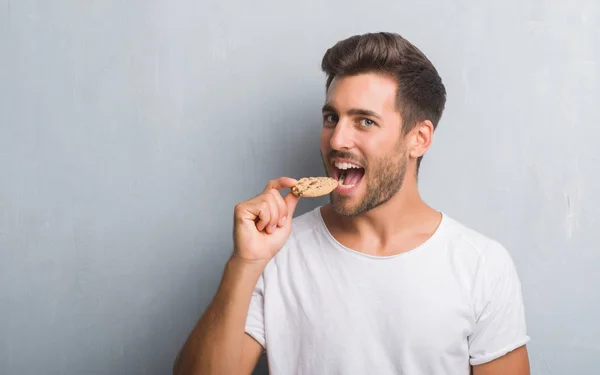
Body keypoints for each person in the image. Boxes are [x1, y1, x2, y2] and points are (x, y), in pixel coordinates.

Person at [173, 32, 531, 375]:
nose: (338, 139)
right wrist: (245, 263)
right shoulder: (277, 251)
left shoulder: (480, 266)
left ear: (418, 139)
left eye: (365, 121)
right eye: (332, 118)